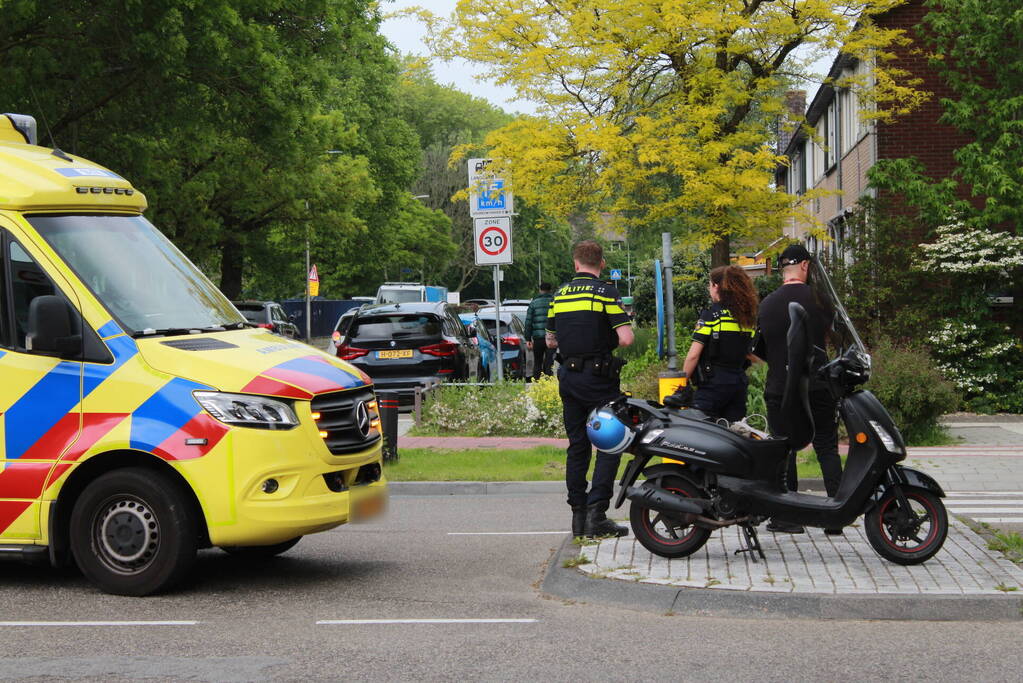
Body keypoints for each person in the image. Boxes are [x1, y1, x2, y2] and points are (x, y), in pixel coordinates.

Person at [752, 243, 843, 535]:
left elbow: (759, 351)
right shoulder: (821, 299)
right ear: (805, 266)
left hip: (781, 388)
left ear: (783, 269)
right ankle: (835, 516)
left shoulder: (766, 304)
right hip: (818, 384)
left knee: (784, 448)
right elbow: (835, 336)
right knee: (826, 445)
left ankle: (789, 518)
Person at [546, 241, 634, 537]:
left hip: (568, 379)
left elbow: (549, 340)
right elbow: (626, 338)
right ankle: (598, 514)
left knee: (578, 445)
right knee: (610, 442)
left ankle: (578, 517)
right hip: (600, 380)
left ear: (575, 264)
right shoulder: (606, 292)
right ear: (602, 263)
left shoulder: (559, 295)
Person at [681, 265, 758, 422]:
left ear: (716, 287)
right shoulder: (746, 318)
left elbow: (693, 355)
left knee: (701, 430)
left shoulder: (711, 315)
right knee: (733, 433)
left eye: (710, 285)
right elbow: (751, 354)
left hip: (713, 385)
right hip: (738, 383)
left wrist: (681, 383)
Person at [522, 282, 555, 379]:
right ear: (550, 290)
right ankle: (548, 382)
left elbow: (528, 322)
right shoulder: (555, 302)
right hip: (552, 337)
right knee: (549, 362)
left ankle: (536, 383)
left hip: (538, 338)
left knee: (538, 362)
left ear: (540, 290)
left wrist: (528, 339)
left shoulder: (533, 303)